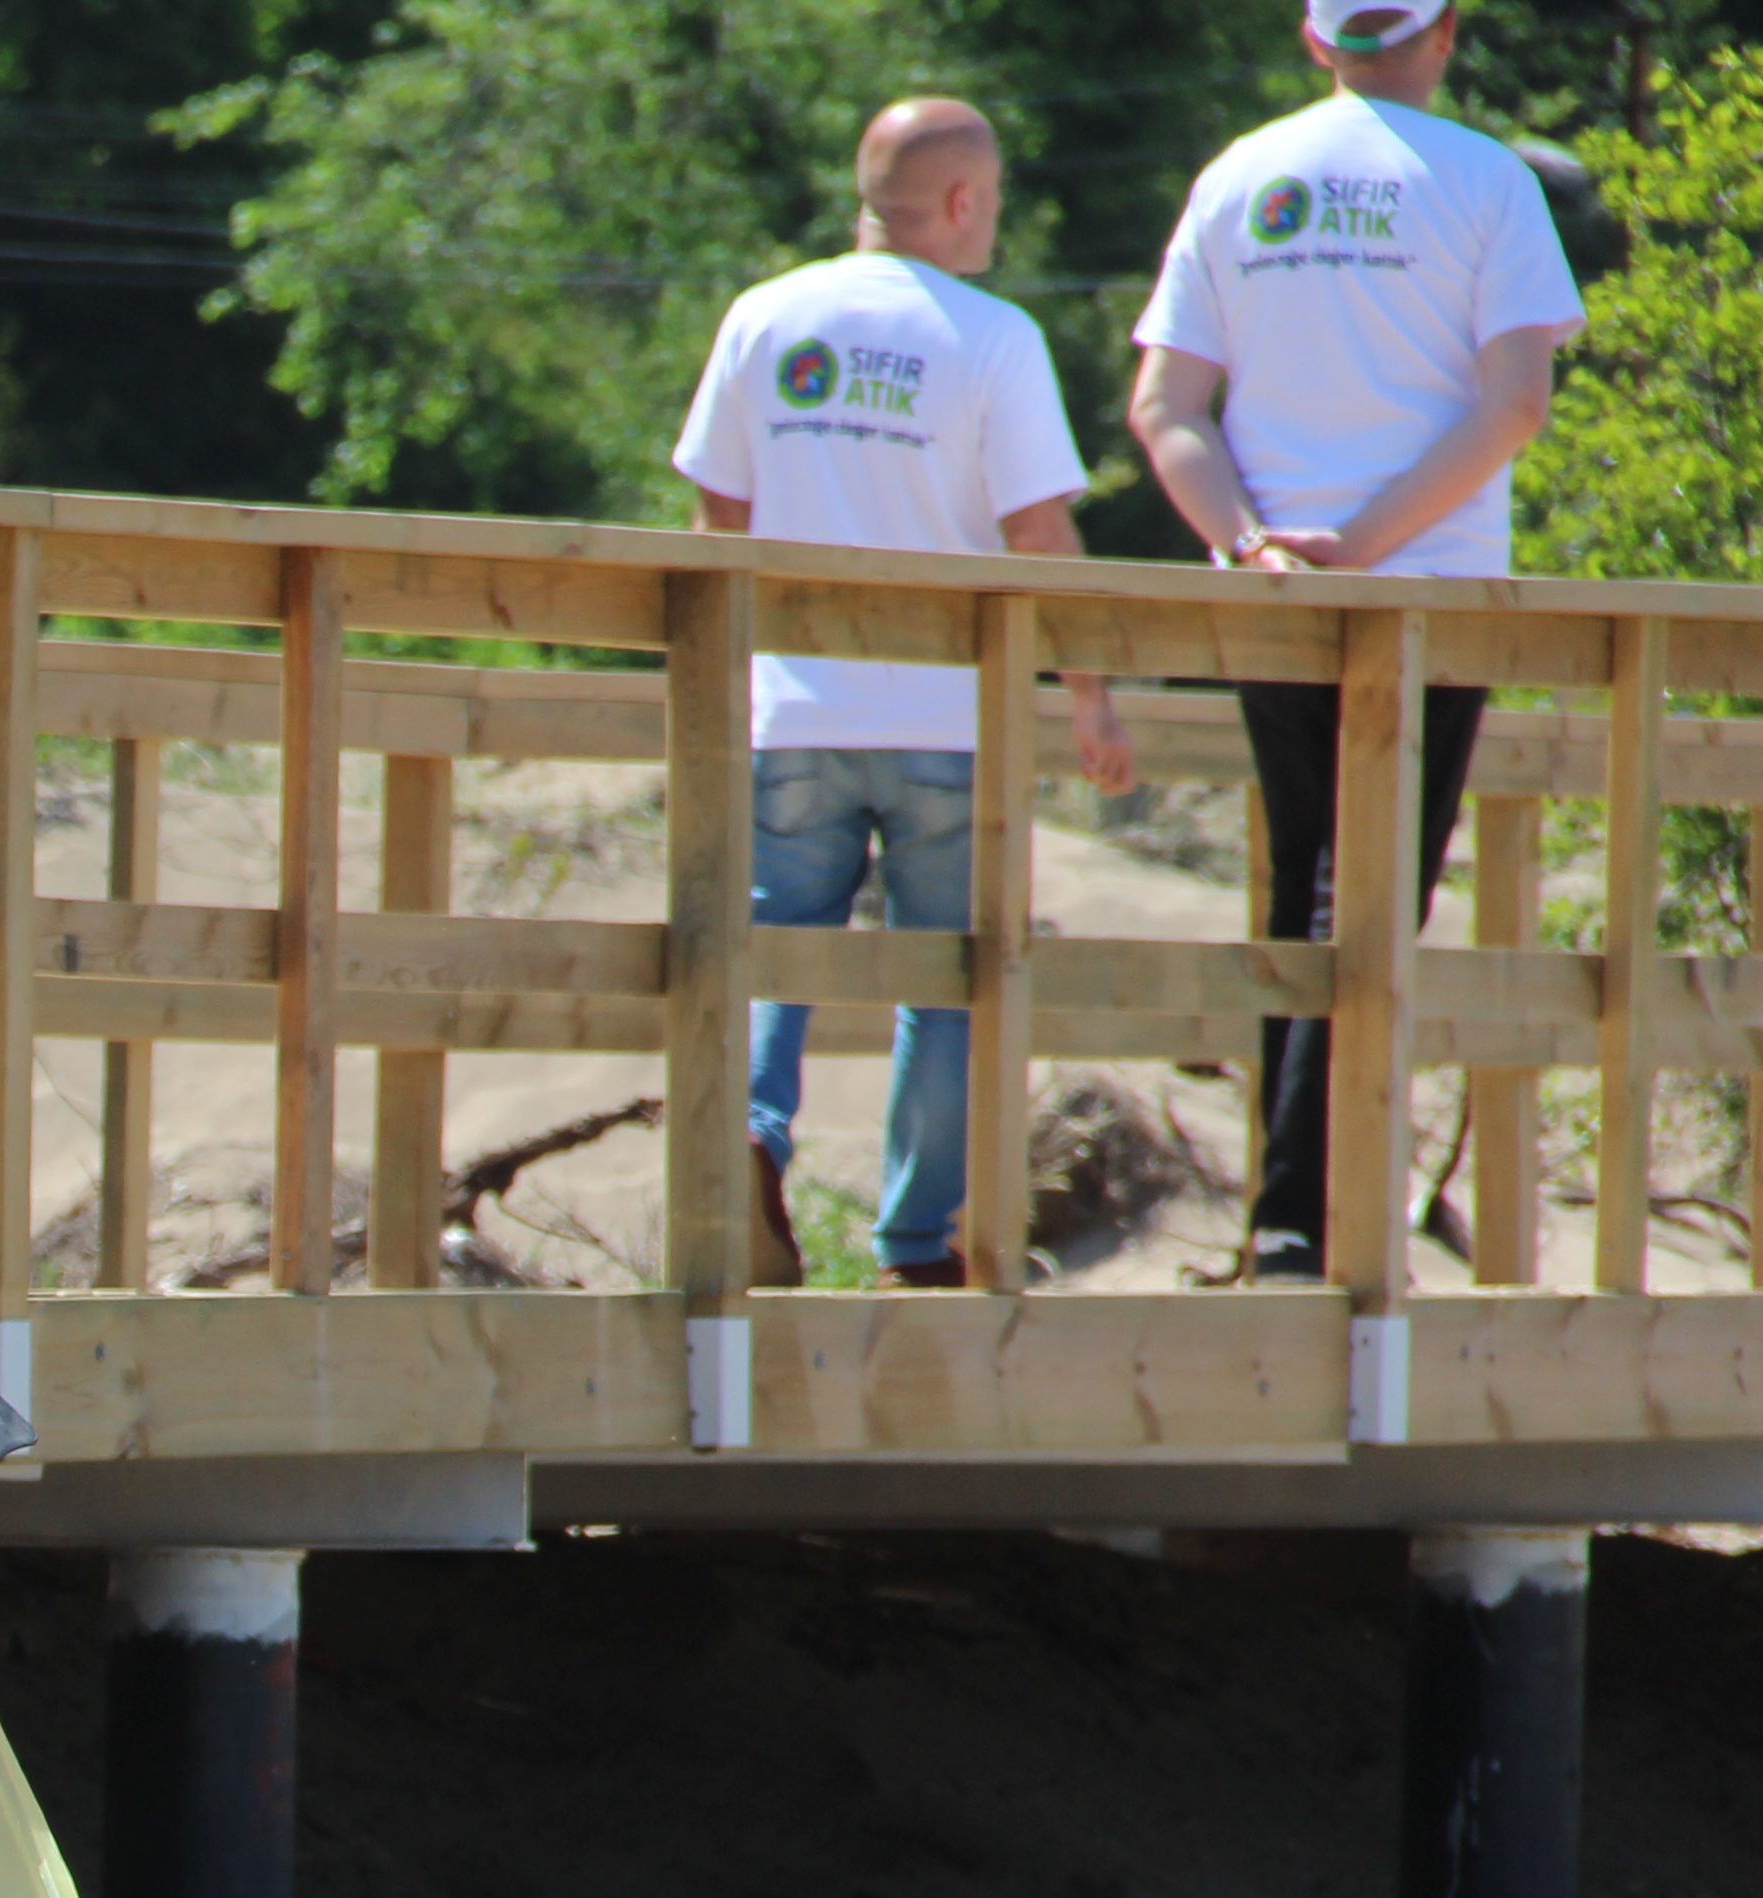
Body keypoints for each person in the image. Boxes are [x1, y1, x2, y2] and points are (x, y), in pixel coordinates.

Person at [1127, 0, 1581, 1278]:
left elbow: (1166, 406)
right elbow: (1516, 404)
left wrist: (1248, 544)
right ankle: (1305, 1229)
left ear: (1313, 39)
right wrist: (1368, 548)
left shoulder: (1239, 174)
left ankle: (1289, 1220)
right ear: (1445, 31)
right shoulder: (1489, 181)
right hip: (1423, 596)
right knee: (1371, 902)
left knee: (1300, 894)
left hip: (1275, 601)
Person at [676, 98, 1141, 1291]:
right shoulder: (992, 337)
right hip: (949, 720)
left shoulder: (764, 315)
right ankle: (912, 1246)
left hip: (792, 710)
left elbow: (718, 518)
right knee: (946, 985)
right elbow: (1039, 531)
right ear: (963, 201)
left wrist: (725, 685)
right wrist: (1088, 691)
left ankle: (747, 1138)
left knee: (772, 947)